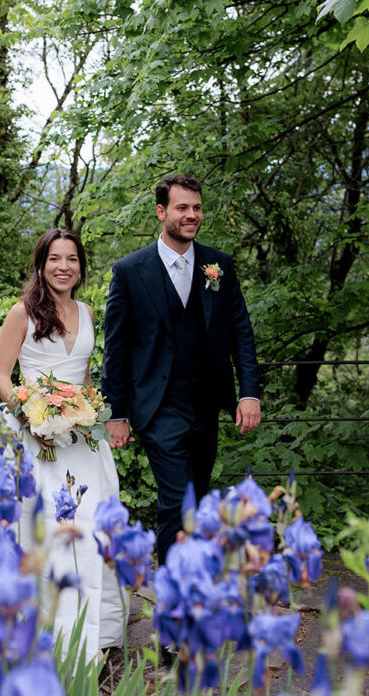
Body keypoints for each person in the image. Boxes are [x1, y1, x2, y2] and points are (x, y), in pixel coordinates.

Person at [0, 228, 126, 662]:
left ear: (80, 266)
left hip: (82, 438)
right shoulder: (23, 313)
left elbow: (85, 377)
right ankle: (34, 624)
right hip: (32, 435)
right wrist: (28, 410)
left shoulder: (88, 312)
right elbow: (2, 375)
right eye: (55, 258)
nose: (63, 266)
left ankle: (87, 628)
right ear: (40, 265)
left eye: (72, 259)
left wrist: (97, 414)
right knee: (43, 529)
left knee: (88, 527)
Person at [102, 173, 261, 564]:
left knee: (197, 497)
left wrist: (249, 391)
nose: (192, 215)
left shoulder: (218, 265)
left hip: (206, 405)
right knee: (178, 501)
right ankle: (176, 592)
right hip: (158, 407)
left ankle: (183, 583)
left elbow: (241, 331)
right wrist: (115, 412)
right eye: (182, 208)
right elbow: (116, 348)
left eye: (197, 208)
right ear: (161, 212)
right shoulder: (129, 271)